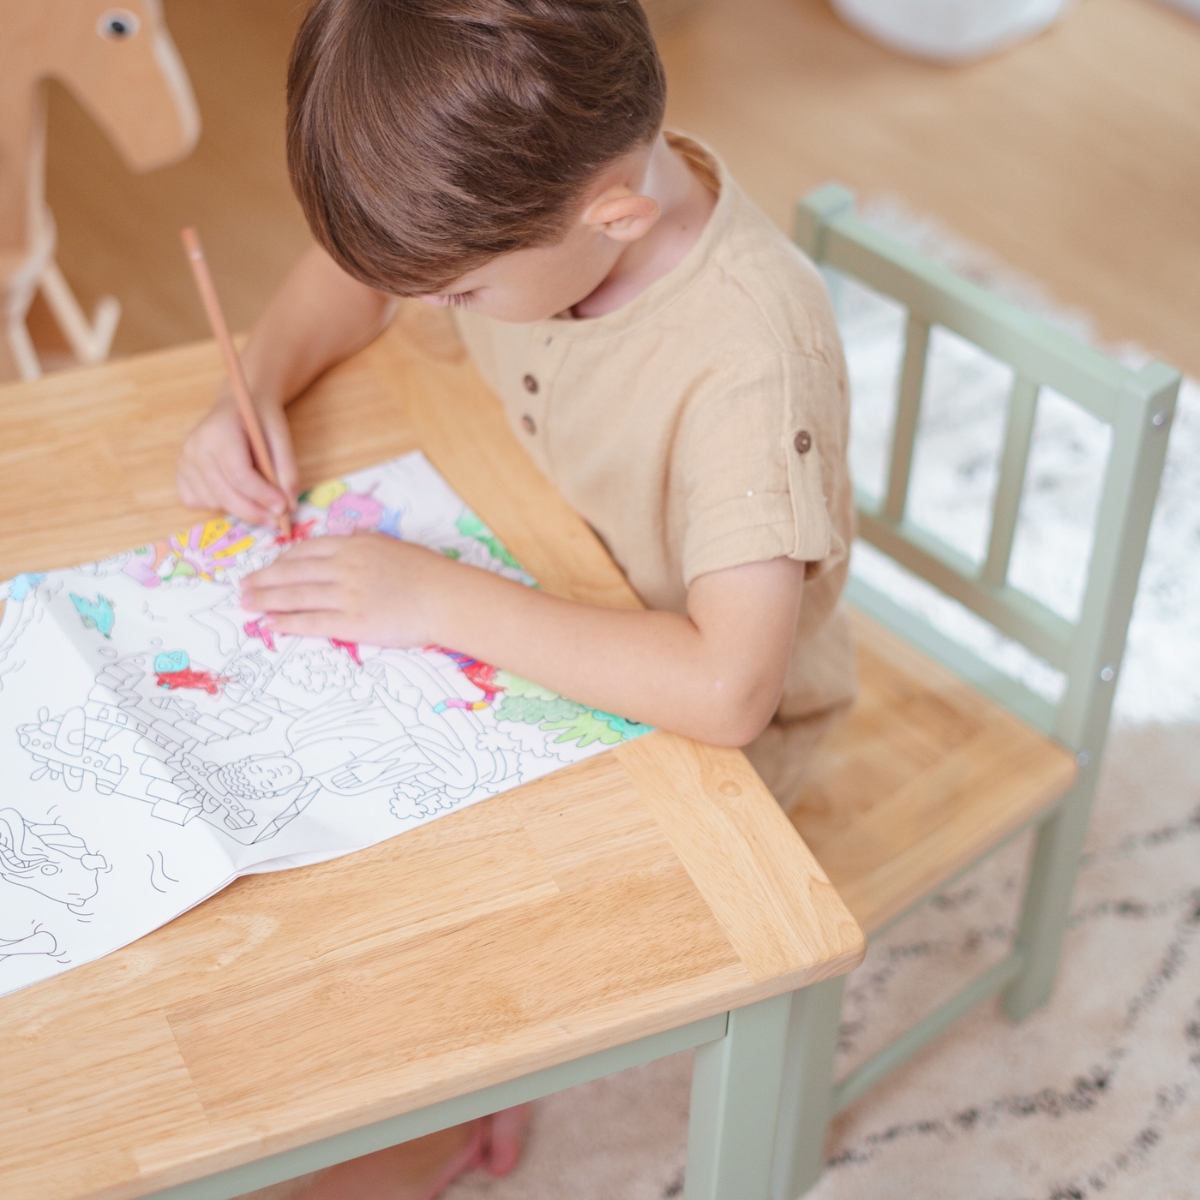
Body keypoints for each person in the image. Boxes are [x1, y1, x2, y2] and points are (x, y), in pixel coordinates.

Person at [178, 1, 856, 1195]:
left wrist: (437, 602)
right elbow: (362, 274)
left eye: (459, 298)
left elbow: (729, 689)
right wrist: (260, 389)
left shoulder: (749, 353)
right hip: (536, 576)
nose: (438, 307)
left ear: (615, 218)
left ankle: (453, 1114)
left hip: (703, 748)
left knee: (393, 925)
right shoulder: (543, 194)